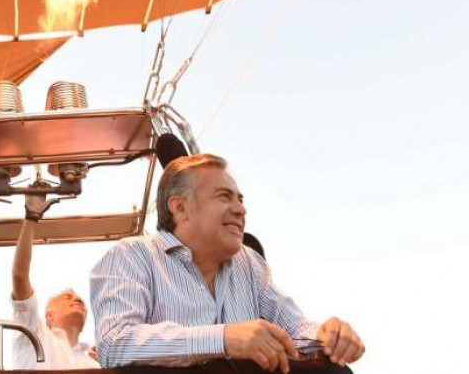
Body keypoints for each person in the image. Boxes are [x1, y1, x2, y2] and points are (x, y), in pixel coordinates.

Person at [90, 154, 364, 373]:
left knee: (334, 371)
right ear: (180, 207)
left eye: (240, 199)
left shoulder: (250, 263)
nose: (240, 209)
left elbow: (295, 330)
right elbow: (114, 343)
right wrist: (224, 339)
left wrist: (328, 337)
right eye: (224, 197)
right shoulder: (132, 255)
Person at [10, 194, 100, 369]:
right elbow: (19, 275)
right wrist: (31, 218)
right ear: (49, 315)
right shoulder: (34, 333)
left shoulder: (94, 364)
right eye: (67, 298)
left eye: (80, 301)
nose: (77, 300)